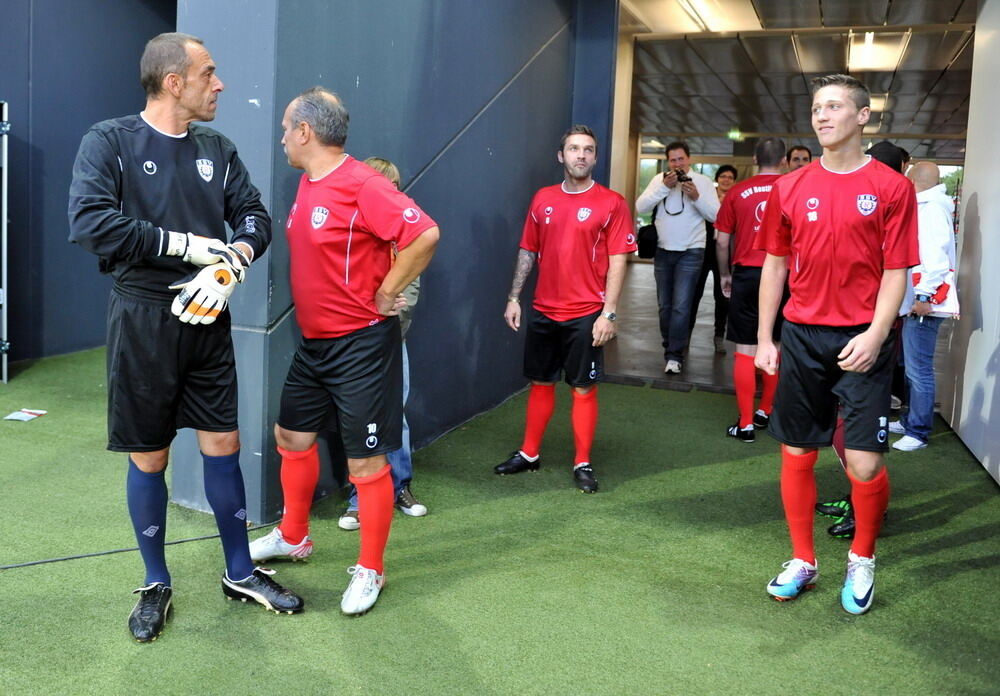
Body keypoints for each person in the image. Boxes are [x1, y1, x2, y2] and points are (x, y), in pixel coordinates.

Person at [68, 32, 304, 643]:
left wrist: (231, 266)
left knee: (223, 441)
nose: (219, 83)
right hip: (143, 317)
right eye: (209, 73)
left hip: (207, 315)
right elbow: (91, 223)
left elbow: (254, 215)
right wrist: (180, 244)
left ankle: (239, 571)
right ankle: (154, 581)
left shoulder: (217, 148)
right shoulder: (109, 142)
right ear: (175, 82)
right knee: (151, 453)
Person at [247, 87, 439, 616]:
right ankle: (293, 535)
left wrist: (384, 292)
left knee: (366, 462)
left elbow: (423, 234)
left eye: (287, 127)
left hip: (361, 344)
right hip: (315, 345)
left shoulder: (363, 184)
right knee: (291, 435)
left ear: (305, 132)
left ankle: (371, 569)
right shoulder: (309, 183)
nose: (282, 135)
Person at [755, 74, 918, 615]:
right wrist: (765, 336)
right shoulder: (790, 186)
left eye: (834, 107)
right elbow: (775, 264)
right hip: (802, 336)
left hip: (864, 340)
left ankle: (862, 557)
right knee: (797, 450)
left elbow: (897, 272)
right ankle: (804, 560)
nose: (822, 116)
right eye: (817, 108)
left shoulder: (893, 188)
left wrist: (875, 334)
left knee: (864, 464)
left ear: (862, 116)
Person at [495, 125, 635, 493]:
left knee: (583, 388)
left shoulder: (612, 203)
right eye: (574, 149)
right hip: (543, 308)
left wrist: (609, 313)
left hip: (586, 313)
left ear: (595, 157)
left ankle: (582, 462)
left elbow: (619, 259)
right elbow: (528, 248)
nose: (581, 155)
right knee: (540, 382)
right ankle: (529, 454)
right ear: (561, 156)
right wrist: (514, 297)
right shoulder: (542, 199)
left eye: (588, 149)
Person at [337, 157, 427, 531]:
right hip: (354, 341)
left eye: (392, 187)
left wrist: (392, 309)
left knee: (396, 415)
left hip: (392, 338)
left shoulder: (402, 232)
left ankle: (400, 486)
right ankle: (359, 498)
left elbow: (413, 287)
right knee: (358, 418)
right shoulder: (348, 231)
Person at [715, 138, 787, 443]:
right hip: (784, 273)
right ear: (784, 160)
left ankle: (744, 424)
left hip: (746, 274)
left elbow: (721, 240)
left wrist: (724, 275)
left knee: (745, 348)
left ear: (755, 159)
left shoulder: (737, 192)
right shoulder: (794, 188)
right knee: (775, 344)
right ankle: (765, 411)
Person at [890, 161, 960, 451]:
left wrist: (923, 296)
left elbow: (936, 256)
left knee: (919, 370)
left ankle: (918, 431)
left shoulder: (930, 210)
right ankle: (910, 422)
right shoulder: (930, 207)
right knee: (913, 367)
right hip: (921, 300)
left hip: (925, 303)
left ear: (914, 181)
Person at [636, 142, 720, 374]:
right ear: (667, 162)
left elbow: (716, 215)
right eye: (673, 160)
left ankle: (674, 354)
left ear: (689, 159)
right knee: (665, 305)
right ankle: (670, 346)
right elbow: (640, 206)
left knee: (682, 306)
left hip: (692, 251)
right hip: (663, 250)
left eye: (681, 159)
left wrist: (696, 196)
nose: (677, 164)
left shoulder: (702, 182)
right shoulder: (659, 180)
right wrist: (663, 187)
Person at [689, 165, 736, 355]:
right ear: (717, 179)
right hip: (704, 248)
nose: (726, 180)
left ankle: (719, 337)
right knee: (694, 294)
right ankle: (686, 336)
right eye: (723, 176)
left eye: (730, 177)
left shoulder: (736, 197)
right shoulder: (708, 195)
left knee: (722, 296)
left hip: (724, 253)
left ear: (734, 180)